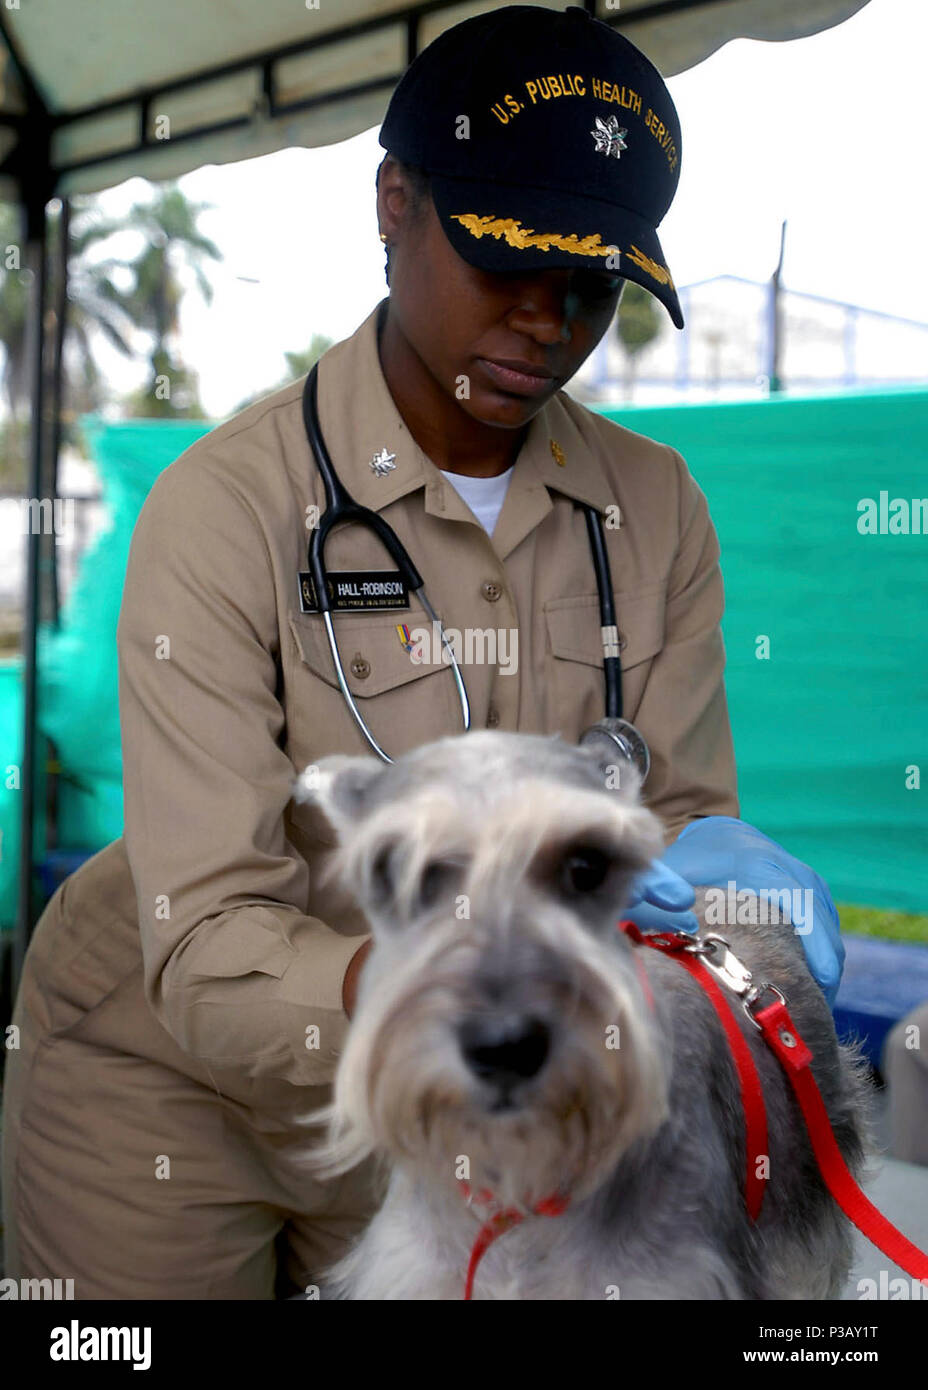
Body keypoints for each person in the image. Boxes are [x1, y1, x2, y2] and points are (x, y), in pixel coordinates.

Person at [1, 4, 843, 1299]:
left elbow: (669, 830)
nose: (546, 320)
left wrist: (727, 928)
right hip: (176, 1082)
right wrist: (463, 991)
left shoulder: (655, 507)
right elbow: (210, 936)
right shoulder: (226, 507)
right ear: (394, 203)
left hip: (495, 1088)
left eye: (592, 281)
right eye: (506, 256)